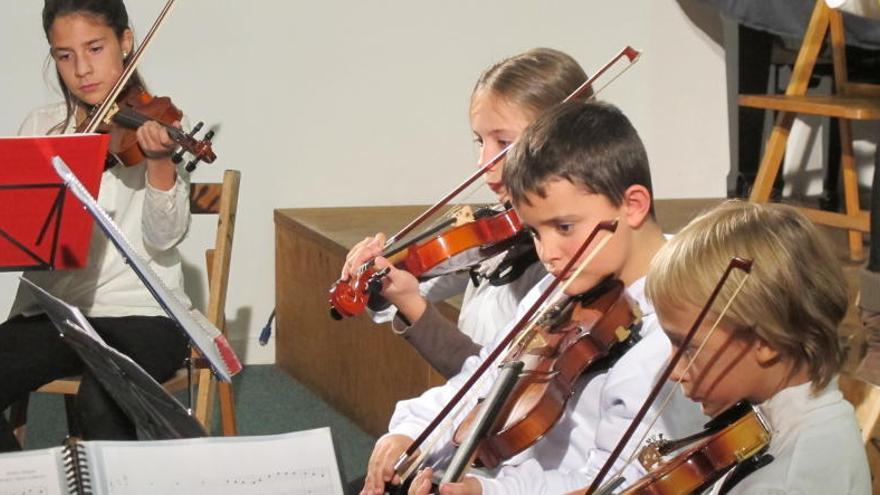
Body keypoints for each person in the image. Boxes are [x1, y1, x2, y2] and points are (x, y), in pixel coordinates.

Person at [361, 100, 706, 495]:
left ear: (632, 205)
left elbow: (613, 482)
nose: (548, 253)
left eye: (564, 226)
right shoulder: (559, 289)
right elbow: (484, 374)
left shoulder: (674, 327)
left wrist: (486, 491)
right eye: (536, 233)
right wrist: (413, 432)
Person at [0, 0, 192, 451]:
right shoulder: (43, 127)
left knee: (101, 401)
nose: (82, 69)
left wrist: (160, 164)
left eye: (95, 48)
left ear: (126, 43)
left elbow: (163, 239)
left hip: (142, 316)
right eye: (65, 55)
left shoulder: (154, 122)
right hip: (54, 313)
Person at [341, 48, 589, 379]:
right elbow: (402, 295)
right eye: (480, 141)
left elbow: (495, 384)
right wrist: (377, 281)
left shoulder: (571, 260)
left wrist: (413, 307)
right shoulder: (494, 236)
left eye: (503, 143)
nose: (483, 161)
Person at [644, 200, 870, 494]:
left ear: (766, 342)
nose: (673, 371)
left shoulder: (786, 481)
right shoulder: (780, 421)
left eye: (688, 347)